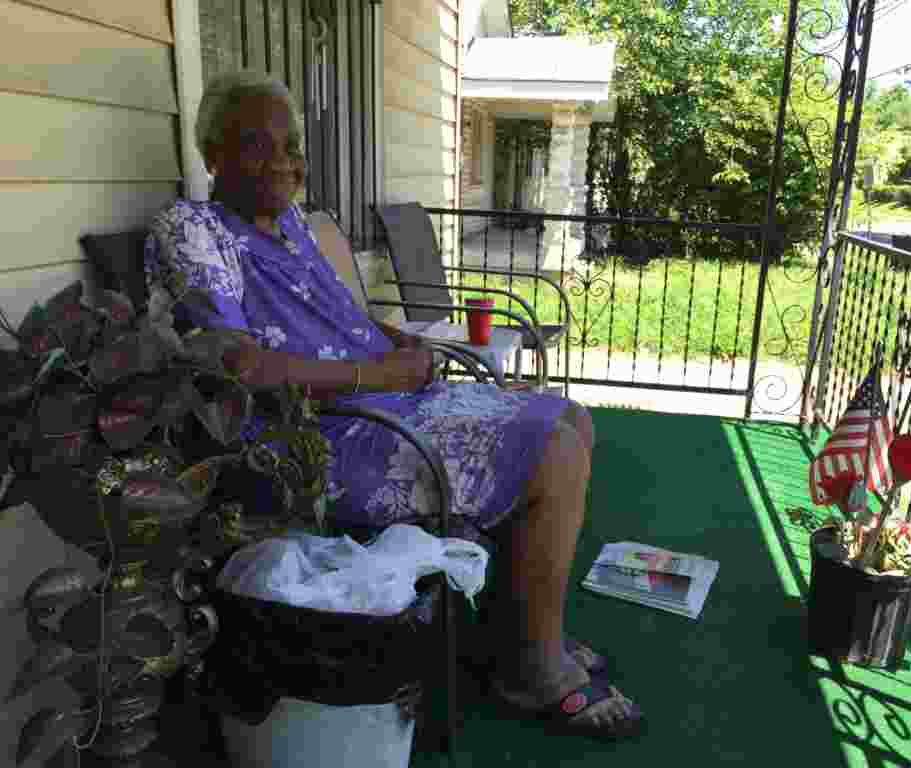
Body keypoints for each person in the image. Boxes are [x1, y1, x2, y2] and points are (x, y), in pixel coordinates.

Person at [144, 70, 643, 739]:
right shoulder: (194, 228)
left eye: (291, 146)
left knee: (571, 417)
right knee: (552, 449)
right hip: (322, 437)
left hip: (385, 403)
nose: (284, 161)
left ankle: (521, 628)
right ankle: (530, 670)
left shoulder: (289, 224)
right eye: (256, 145)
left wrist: (401, 341)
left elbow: (340, 315)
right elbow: (240, 365)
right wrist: (381, 370)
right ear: (212, 154)